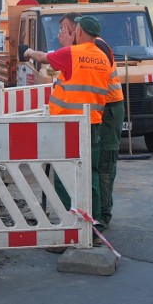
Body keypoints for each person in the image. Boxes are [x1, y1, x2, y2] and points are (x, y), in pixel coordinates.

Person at [23, 15, 111, 243]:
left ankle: (68, 226)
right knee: (89, 174)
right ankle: (95, 222)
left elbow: (43, 58)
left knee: (64, 174)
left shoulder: (73, 54)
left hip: (68, 125)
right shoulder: (102, 57)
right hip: (93, 123)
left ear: (79, 32)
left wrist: (28, 52)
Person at [56, 13, 125, 229]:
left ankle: (101, 218)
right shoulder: (80, 49)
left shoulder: (96, 48)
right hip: (98, 109)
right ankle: (92, 217)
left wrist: (69, 48)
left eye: (66, 29)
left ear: (78, 29)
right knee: (91, 165)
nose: (63, 34)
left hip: (107, 110)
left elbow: (87, 77)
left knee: (102, 163)